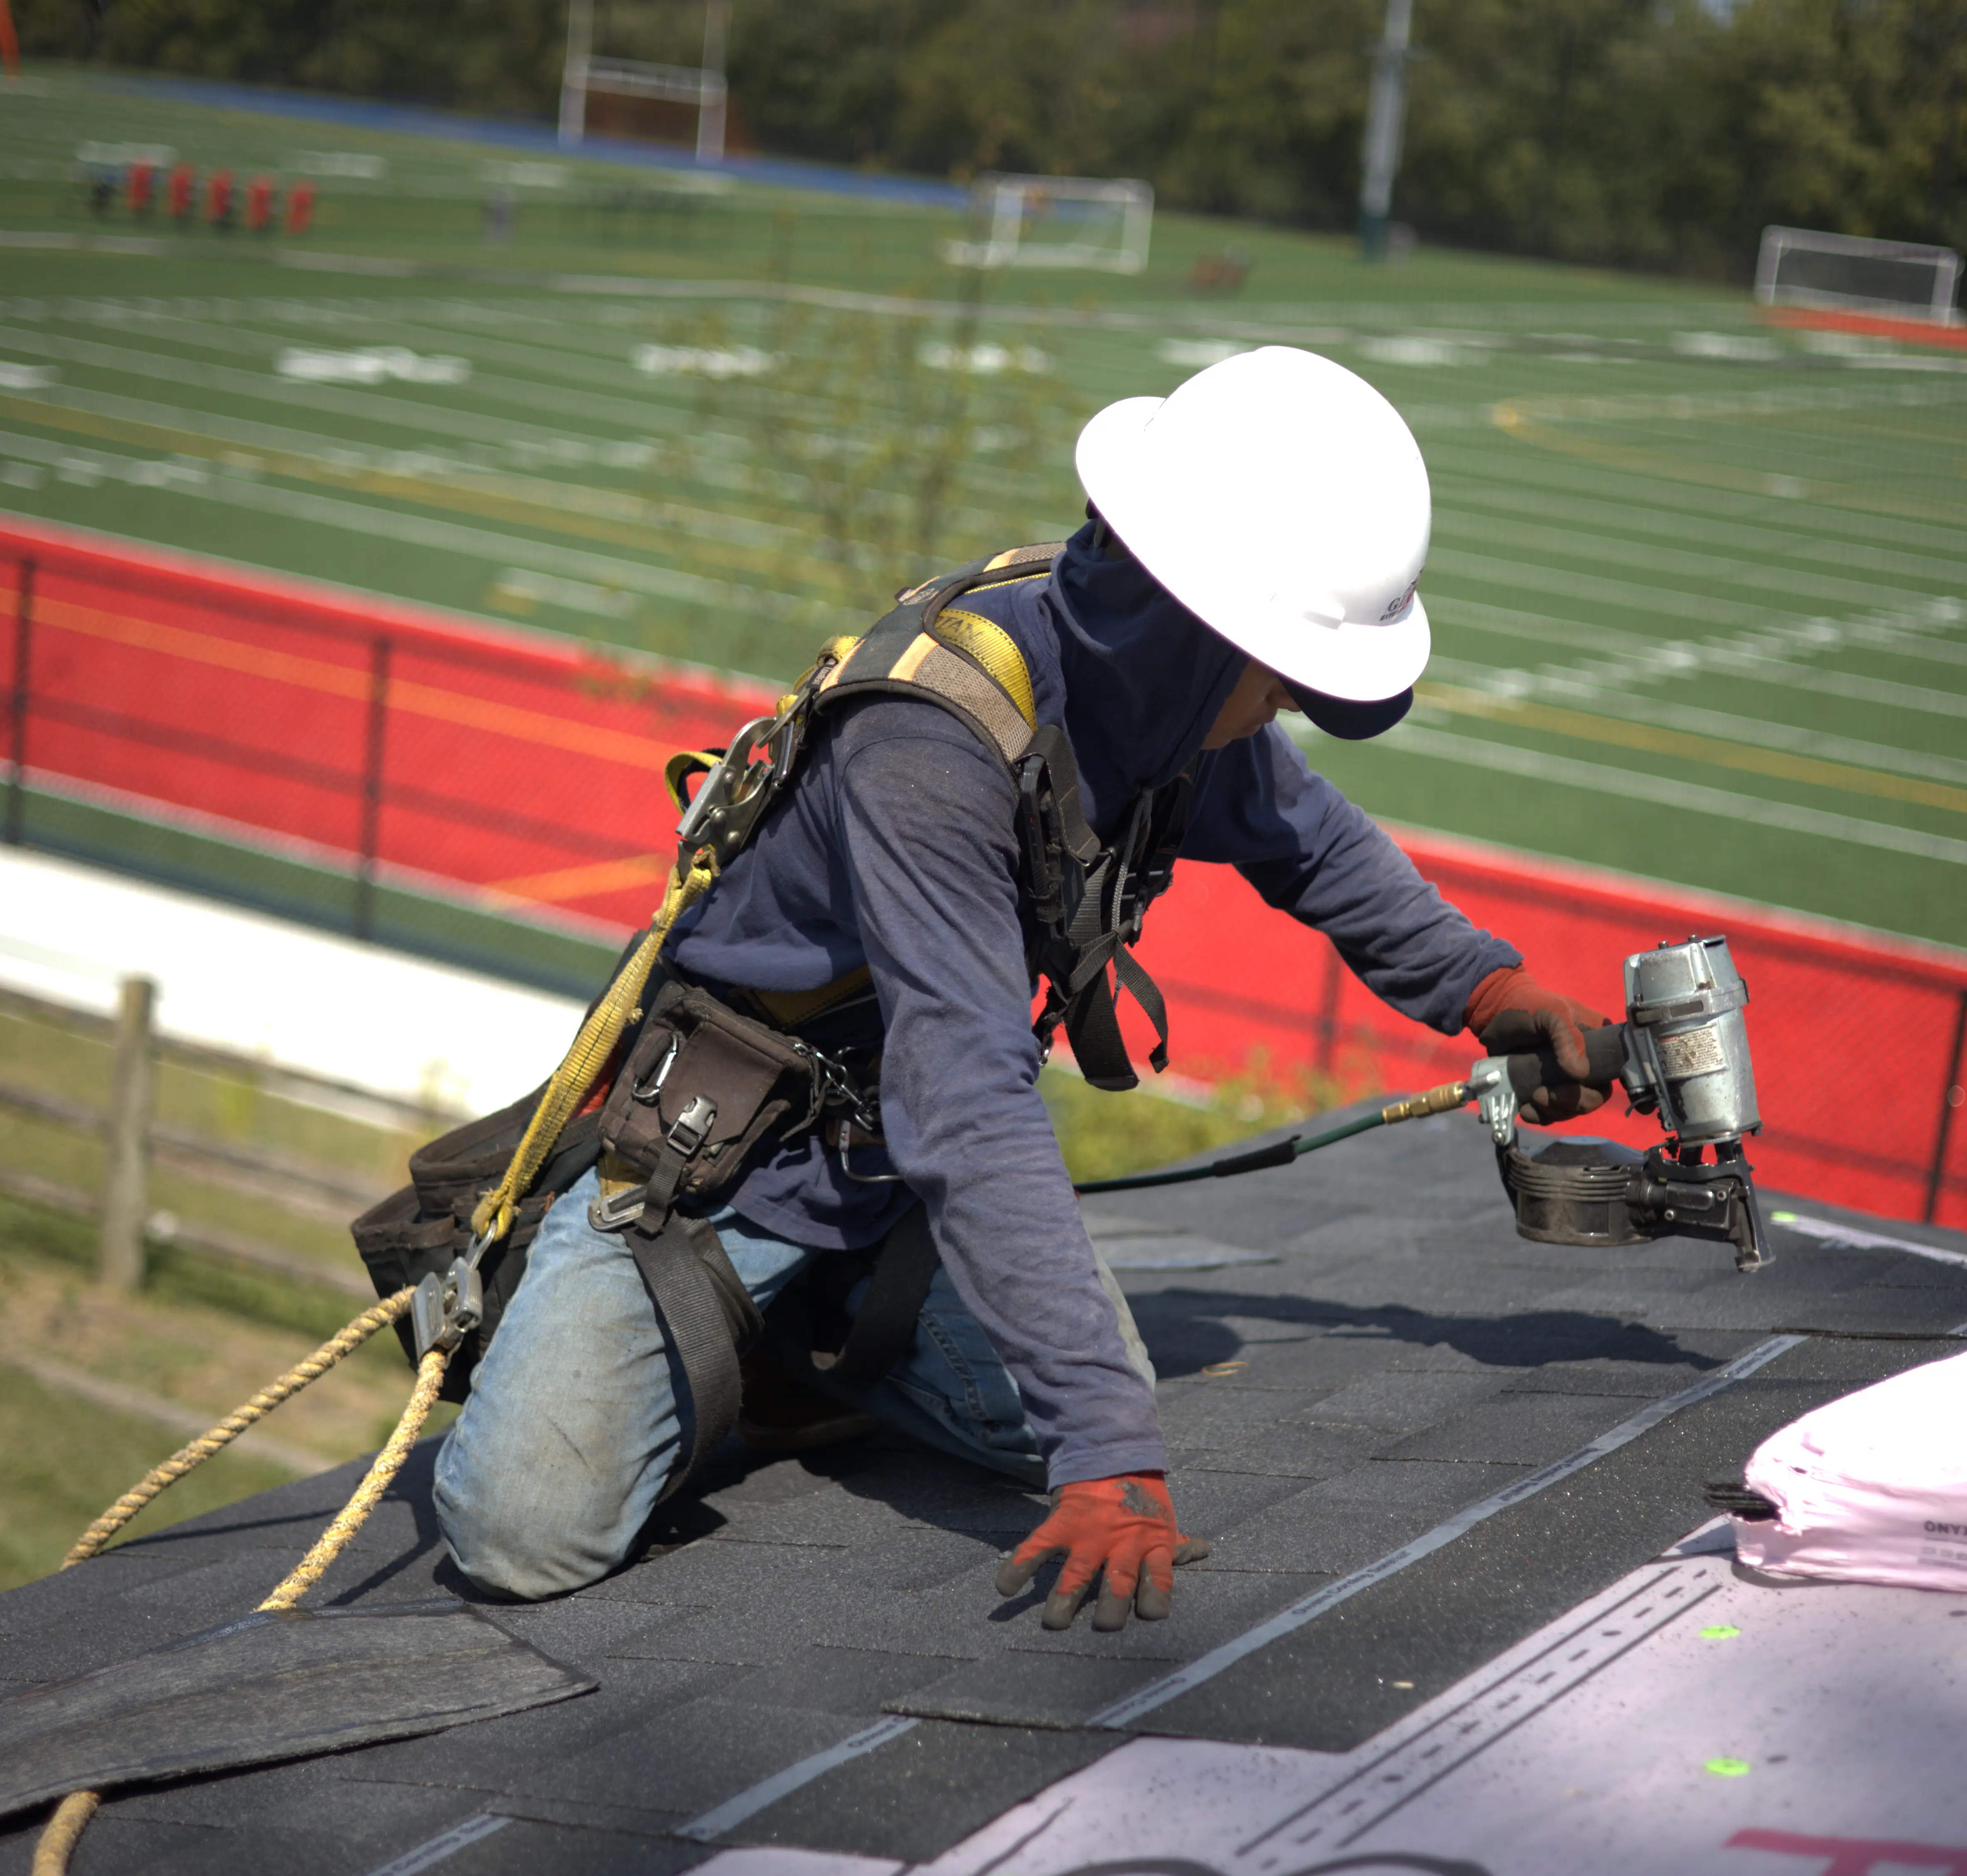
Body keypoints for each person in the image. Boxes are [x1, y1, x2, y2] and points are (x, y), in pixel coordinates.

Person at [433, 346, 1613, 1630]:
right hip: (712, 1173)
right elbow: (969, 1097)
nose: (1284, 705)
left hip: (890, 1181)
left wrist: (1485, 990)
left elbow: (1311, 844)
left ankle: (803, 1340)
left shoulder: (1154, 702)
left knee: (1036, 1412)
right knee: (521, 1536)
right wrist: (1106, 1450)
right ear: (1195, 635)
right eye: (1278, 671)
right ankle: (755, 1331)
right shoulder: (931, 746)